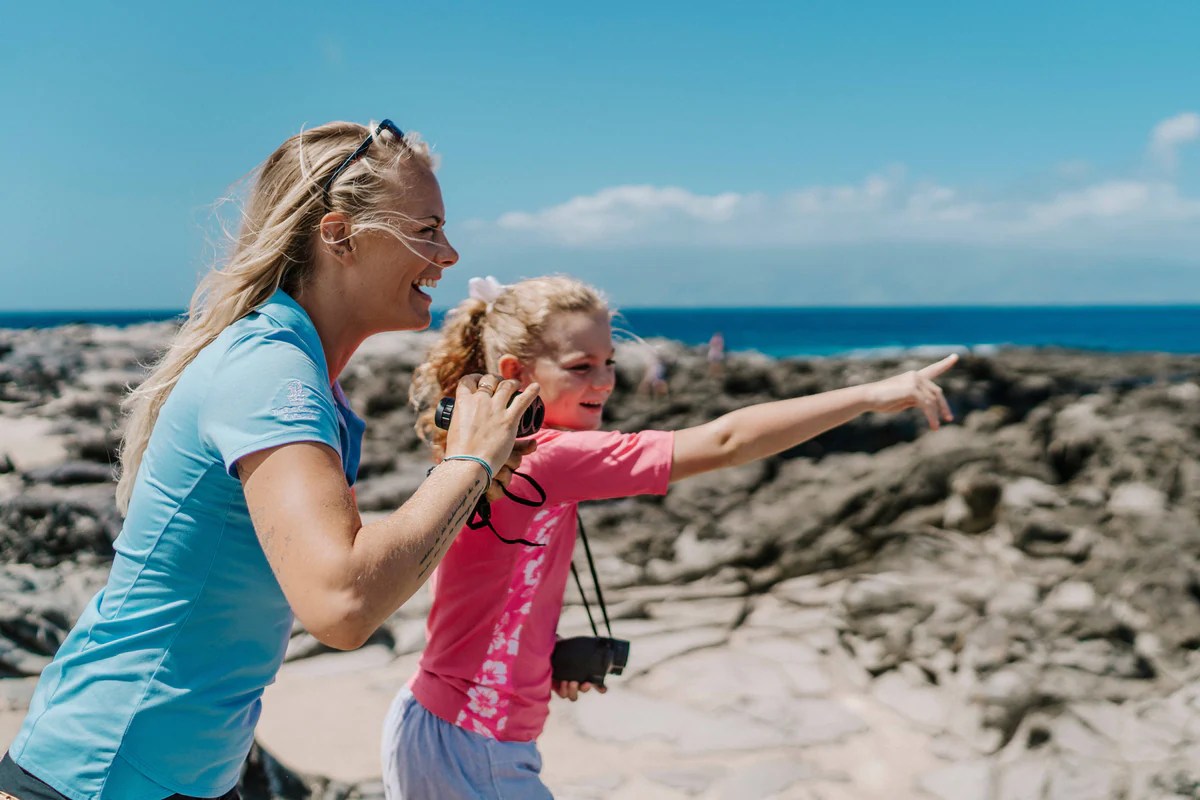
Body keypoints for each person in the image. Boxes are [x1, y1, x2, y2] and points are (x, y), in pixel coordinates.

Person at [0, 120, 539, 800]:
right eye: (426, 229)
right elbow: (342, 604)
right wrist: (468, 462)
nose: (450, 252)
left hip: (176, 772)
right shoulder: (273, 372)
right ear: (340, 235)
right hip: (105, 770)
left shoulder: (299, 371)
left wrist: (474, 474)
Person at [384, 274, 957, 799]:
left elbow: (487, 592)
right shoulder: (547, 459)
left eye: (609, 362)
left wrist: (539, 658)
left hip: (459, 730)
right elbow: (727, 440)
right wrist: (869, 395)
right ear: (515, 373)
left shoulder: (507, 456)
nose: (604, 382)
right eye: (581, 366)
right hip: (469, 743)